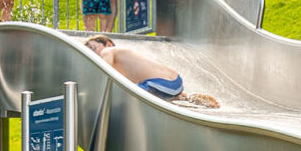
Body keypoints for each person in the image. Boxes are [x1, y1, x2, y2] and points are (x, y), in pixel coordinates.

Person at [85, 35, 220, 106]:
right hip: (175, 82)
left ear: (108, 43)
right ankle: (189, 97)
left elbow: (104, 68)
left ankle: (180, 98)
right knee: (151, 92)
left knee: (129, 97)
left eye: (94, 48)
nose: (93, 53)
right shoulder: (124, 60)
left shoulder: (108, 50)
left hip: (160, 83)